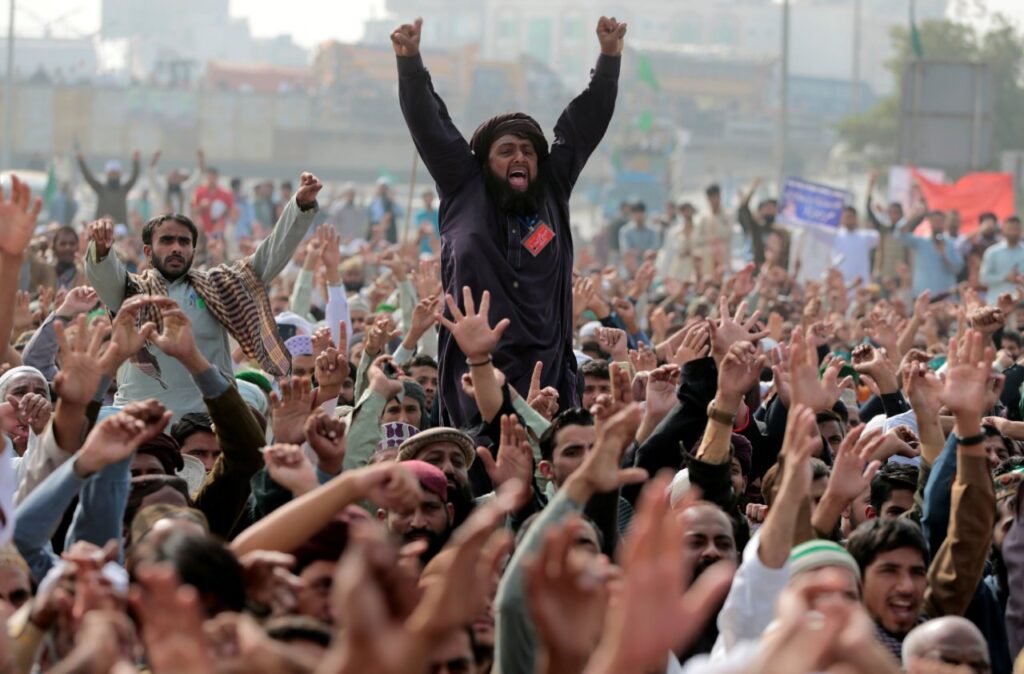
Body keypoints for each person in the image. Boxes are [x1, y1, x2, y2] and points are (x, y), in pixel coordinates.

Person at [392, 15, 626, 428]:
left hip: (547, 374)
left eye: (528, 151)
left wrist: (608, 59)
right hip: (474, 373)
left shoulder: (552, 189)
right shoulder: (463, 185)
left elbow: (583, 128)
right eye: (506, 150)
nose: (519, 157)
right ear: (485, 161)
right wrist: (410, 64)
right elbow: (430, 126)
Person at [84, 173, 323, 417]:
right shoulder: (128, 291)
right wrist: (100, 249)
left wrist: (299, 207)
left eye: (184, 242)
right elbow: (103, 272)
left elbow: (269, 255)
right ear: (147, 251)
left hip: (208, 420)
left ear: (193, 250)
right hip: (139, 418)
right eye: (167, 241)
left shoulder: (220, 286)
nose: (176, 248)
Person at [897, 210, 965, 297]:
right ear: (930, 222)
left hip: (946, 296)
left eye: (940, 221)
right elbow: (900, 234)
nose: (937, 224)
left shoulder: (952, 244)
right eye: (935, 221)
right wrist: (913, 216)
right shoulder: (921, 242)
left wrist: (944, 255)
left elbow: (958, 268)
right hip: (924, 295)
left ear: (945, 223)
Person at [76, 151, 141, 224]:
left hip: (121, 226)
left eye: (115, 173)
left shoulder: (124, 189)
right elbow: (89, 177)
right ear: (107, 174)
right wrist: (81, 162)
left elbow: (134, 177)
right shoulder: (101, 189)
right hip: (102, 226)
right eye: (111, 173)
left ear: (119, 174)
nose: (114, 175)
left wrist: (136, 162)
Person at [831, 206, 879, 285]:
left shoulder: (865, 236)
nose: (847, 219)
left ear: (855, 218)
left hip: (861, 283)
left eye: (850, 217)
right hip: (841, 283)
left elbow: (882, 236)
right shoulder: (836, 235)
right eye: (845, 217)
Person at [981, 216, 1024, 301]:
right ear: (1003, 230)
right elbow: (983, 279)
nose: (1013, 232)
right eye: (1010, 229)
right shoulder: (992, 252)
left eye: (1016, 229)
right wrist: (1005, 278)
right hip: (996, 302)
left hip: (1020, 304)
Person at [192, 167, 235, 239]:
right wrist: (202, 206)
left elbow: (232, 213)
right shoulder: (199, 192)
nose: (211, 180)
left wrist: (224, 210)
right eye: (209, 177)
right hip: (203, 230)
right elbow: (193, 211)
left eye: (213, 177)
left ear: (217, 177)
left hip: (219, 229)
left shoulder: (226, 193)